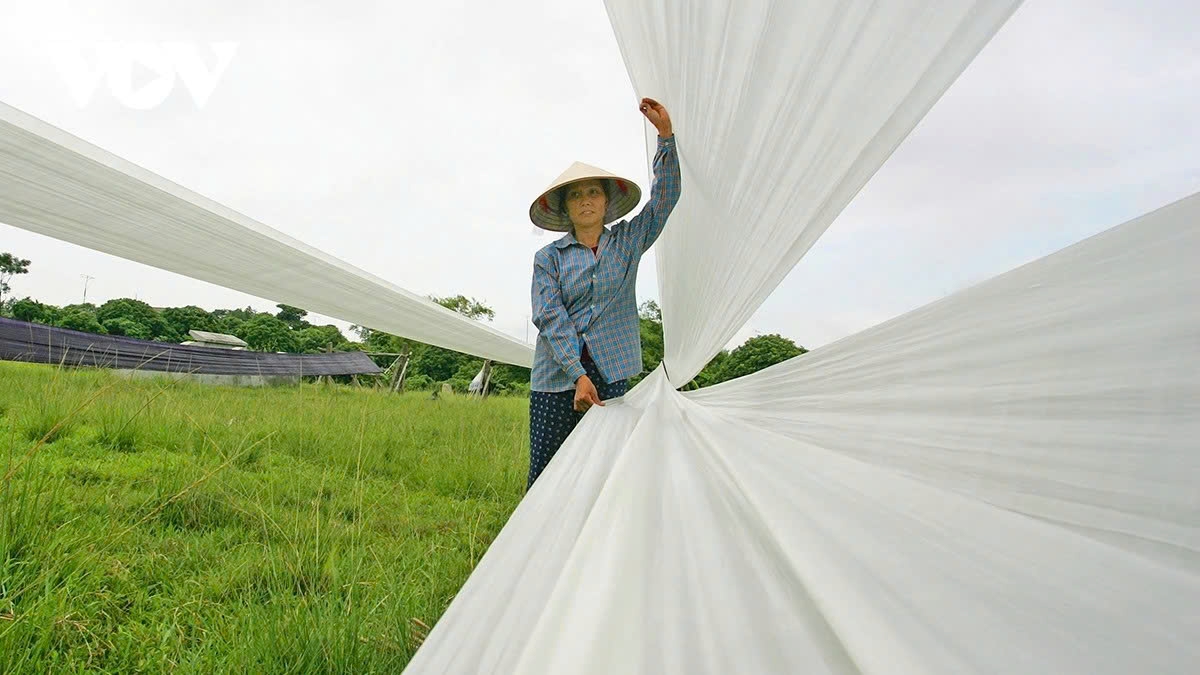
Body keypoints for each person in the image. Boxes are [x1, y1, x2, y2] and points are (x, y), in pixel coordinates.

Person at [525, 98, 680, 489]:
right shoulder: (549, 258)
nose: (586, 200)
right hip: (558, 376)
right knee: (549, 469)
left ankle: (595, 545)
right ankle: (543, 543)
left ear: (606, 201)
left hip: (611, 368)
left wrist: (665, 139)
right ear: (566, 208)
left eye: (593, 192)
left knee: (605, 470)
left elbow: (664, 201)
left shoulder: (628, 241)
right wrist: (577, 374)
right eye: (576, 196)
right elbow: (549, 316)